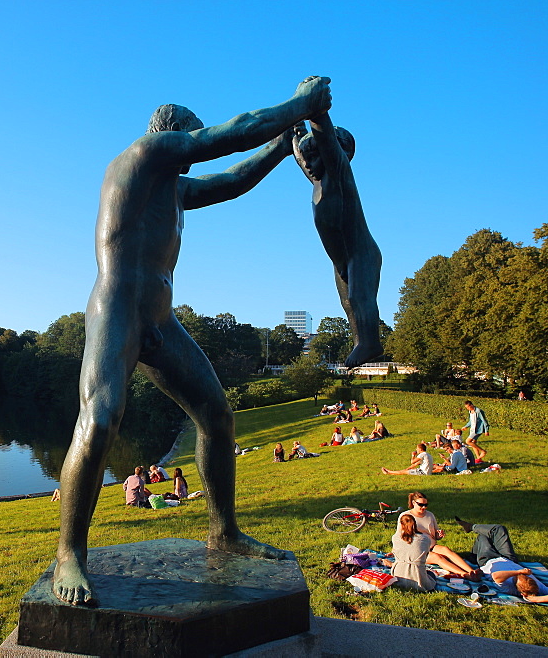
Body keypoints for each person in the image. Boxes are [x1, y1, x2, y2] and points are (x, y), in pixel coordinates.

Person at [53, 76, 333, 606]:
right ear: (173, 134)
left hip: (159, 317)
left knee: (217, 414)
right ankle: (71, 553)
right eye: (192, 138)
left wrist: (283, 141)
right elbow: (229, 136)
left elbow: (232, 180)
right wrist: (300, 104)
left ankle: (223, 532)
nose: (194, 148)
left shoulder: (175, 189)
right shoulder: (143, 153)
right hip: (116, 311)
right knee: (101, 417)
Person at [292, 111, 382, 367]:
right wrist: (295, 130)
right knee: (347, 301)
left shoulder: (339, 176)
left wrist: (315, 110)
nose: (309, 164)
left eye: (315, 156)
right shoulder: (317, 181)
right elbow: (301, 158)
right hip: (341, 259)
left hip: (361, 253)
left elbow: (326, 139)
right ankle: (359, 341)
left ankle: (370, 343)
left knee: (358, 298)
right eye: (308, 158)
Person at [453, 518, 548, 603]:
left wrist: (520, 573)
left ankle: (473, 554)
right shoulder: (537, 586)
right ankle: (471, 527)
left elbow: (497, 575)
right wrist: (538, 597)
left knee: (483, 537)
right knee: (499, 529)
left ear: (522, 593)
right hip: (509, 558)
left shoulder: (508, 587)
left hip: (489, 560)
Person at [396, 492, 479, 580]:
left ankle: (471, 571)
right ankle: (464, 574)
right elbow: (400, 537)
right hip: (417, 550)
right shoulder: (406, 517)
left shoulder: (429, 515)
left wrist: (439, 535)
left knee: (446, 550)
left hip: (431, 545)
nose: (424, 507)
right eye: (421, 505)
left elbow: (435, 535)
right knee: (437, 557)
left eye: (426, 505)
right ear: (413, 503)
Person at [390, 514, 435, 591]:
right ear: (415, 523)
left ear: (401, 525)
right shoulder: (425, 539)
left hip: (398, 575)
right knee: (431, 574)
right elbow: (425, 555)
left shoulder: (395, 538)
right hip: (417, 575)